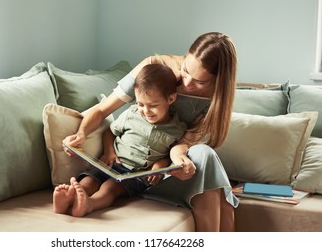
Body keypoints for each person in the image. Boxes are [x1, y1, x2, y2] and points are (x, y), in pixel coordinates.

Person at [63, 32, 239, 231]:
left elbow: (181, 144)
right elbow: (103, 109)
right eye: (185, 70)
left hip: (166, 171)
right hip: (141, 175)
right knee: (222, 197)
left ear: (218, 82)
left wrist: (180, 162)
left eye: (200, 82)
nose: (187, 83)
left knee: (204, 155)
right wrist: (82, 133)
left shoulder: (214, 104)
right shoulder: (153, 70)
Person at [53, 64, 186, 217]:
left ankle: (89, 205)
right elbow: (109, 132)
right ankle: (70, 199)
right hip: (110, 163)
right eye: (140, 104)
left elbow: (169, 155)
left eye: (153, 106)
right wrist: (109, 152)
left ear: (171, 98)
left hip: (134, 175)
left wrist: (158, 167)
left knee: (110, 188)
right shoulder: (132, 115)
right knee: (89, 181)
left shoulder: (177, 129)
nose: (145, 111)